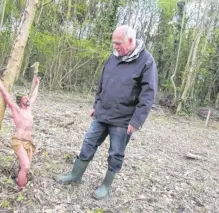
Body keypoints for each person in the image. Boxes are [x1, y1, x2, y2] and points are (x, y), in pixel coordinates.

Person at [54, 25, 158, 199]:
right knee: (88, 143)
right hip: (102, 113)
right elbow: (102, 83)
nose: (115, 47)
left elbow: (148, 95)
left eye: (118, 43)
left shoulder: (147, 61)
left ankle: (106, 186)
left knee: (116, 153)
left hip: (124, 119)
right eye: (114, 43)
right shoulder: (113, 57)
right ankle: (75, 175)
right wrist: (96, 104)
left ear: (131, 41)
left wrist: (136, 121)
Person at [0, 66, 40, 190]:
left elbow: (34, 95)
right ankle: (21, 188)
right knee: (26, 166)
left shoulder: (29, 108)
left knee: (26, 167)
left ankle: (20, 179)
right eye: (24, 98)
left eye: (27, 98)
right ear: (20, 101)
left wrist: (37, 84)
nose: (27, 99)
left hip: (29, 141)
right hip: (19, 140)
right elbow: (5, 94)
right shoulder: (17, 110)